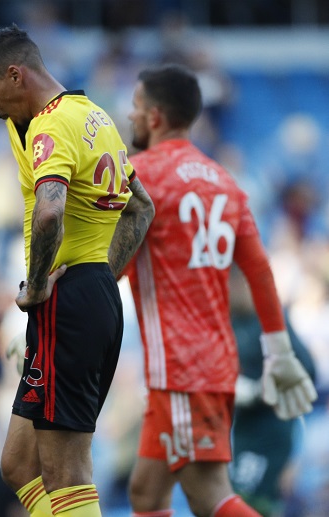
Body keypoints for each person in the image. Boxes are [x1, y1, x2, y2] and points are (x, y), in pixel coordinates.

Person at [0, 25, 155, 516]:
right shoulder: (94, 116)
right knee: (18, 463)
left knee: (67, 475)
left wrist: (37, 284)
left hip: (63, 300)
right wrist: (100, 278)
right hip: (90, 293)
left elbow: (50, 210)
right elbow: (142, 209)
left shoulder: (51, 126)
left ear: (14, 75)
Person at [121, 63, 317, 517]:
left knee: (211, 497)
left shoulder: (140, 175)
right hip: (206, 362)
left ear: (154, 116)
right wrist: (280, 351)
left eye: (134, 107)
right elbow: (260, 270)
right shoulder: (225, 181)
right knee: (145, 495)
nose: (129, 117)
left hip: (182, 369)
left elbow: (106, 261)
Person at [229, 266, 317, 516]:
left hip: (272, 430)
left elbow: (308, 370)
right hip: (243, 431)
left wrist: (259, 391)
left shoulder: (270, 318)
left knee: (251, 499)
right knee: (240, 498)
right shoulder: (229, 321)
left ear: (242, 284)